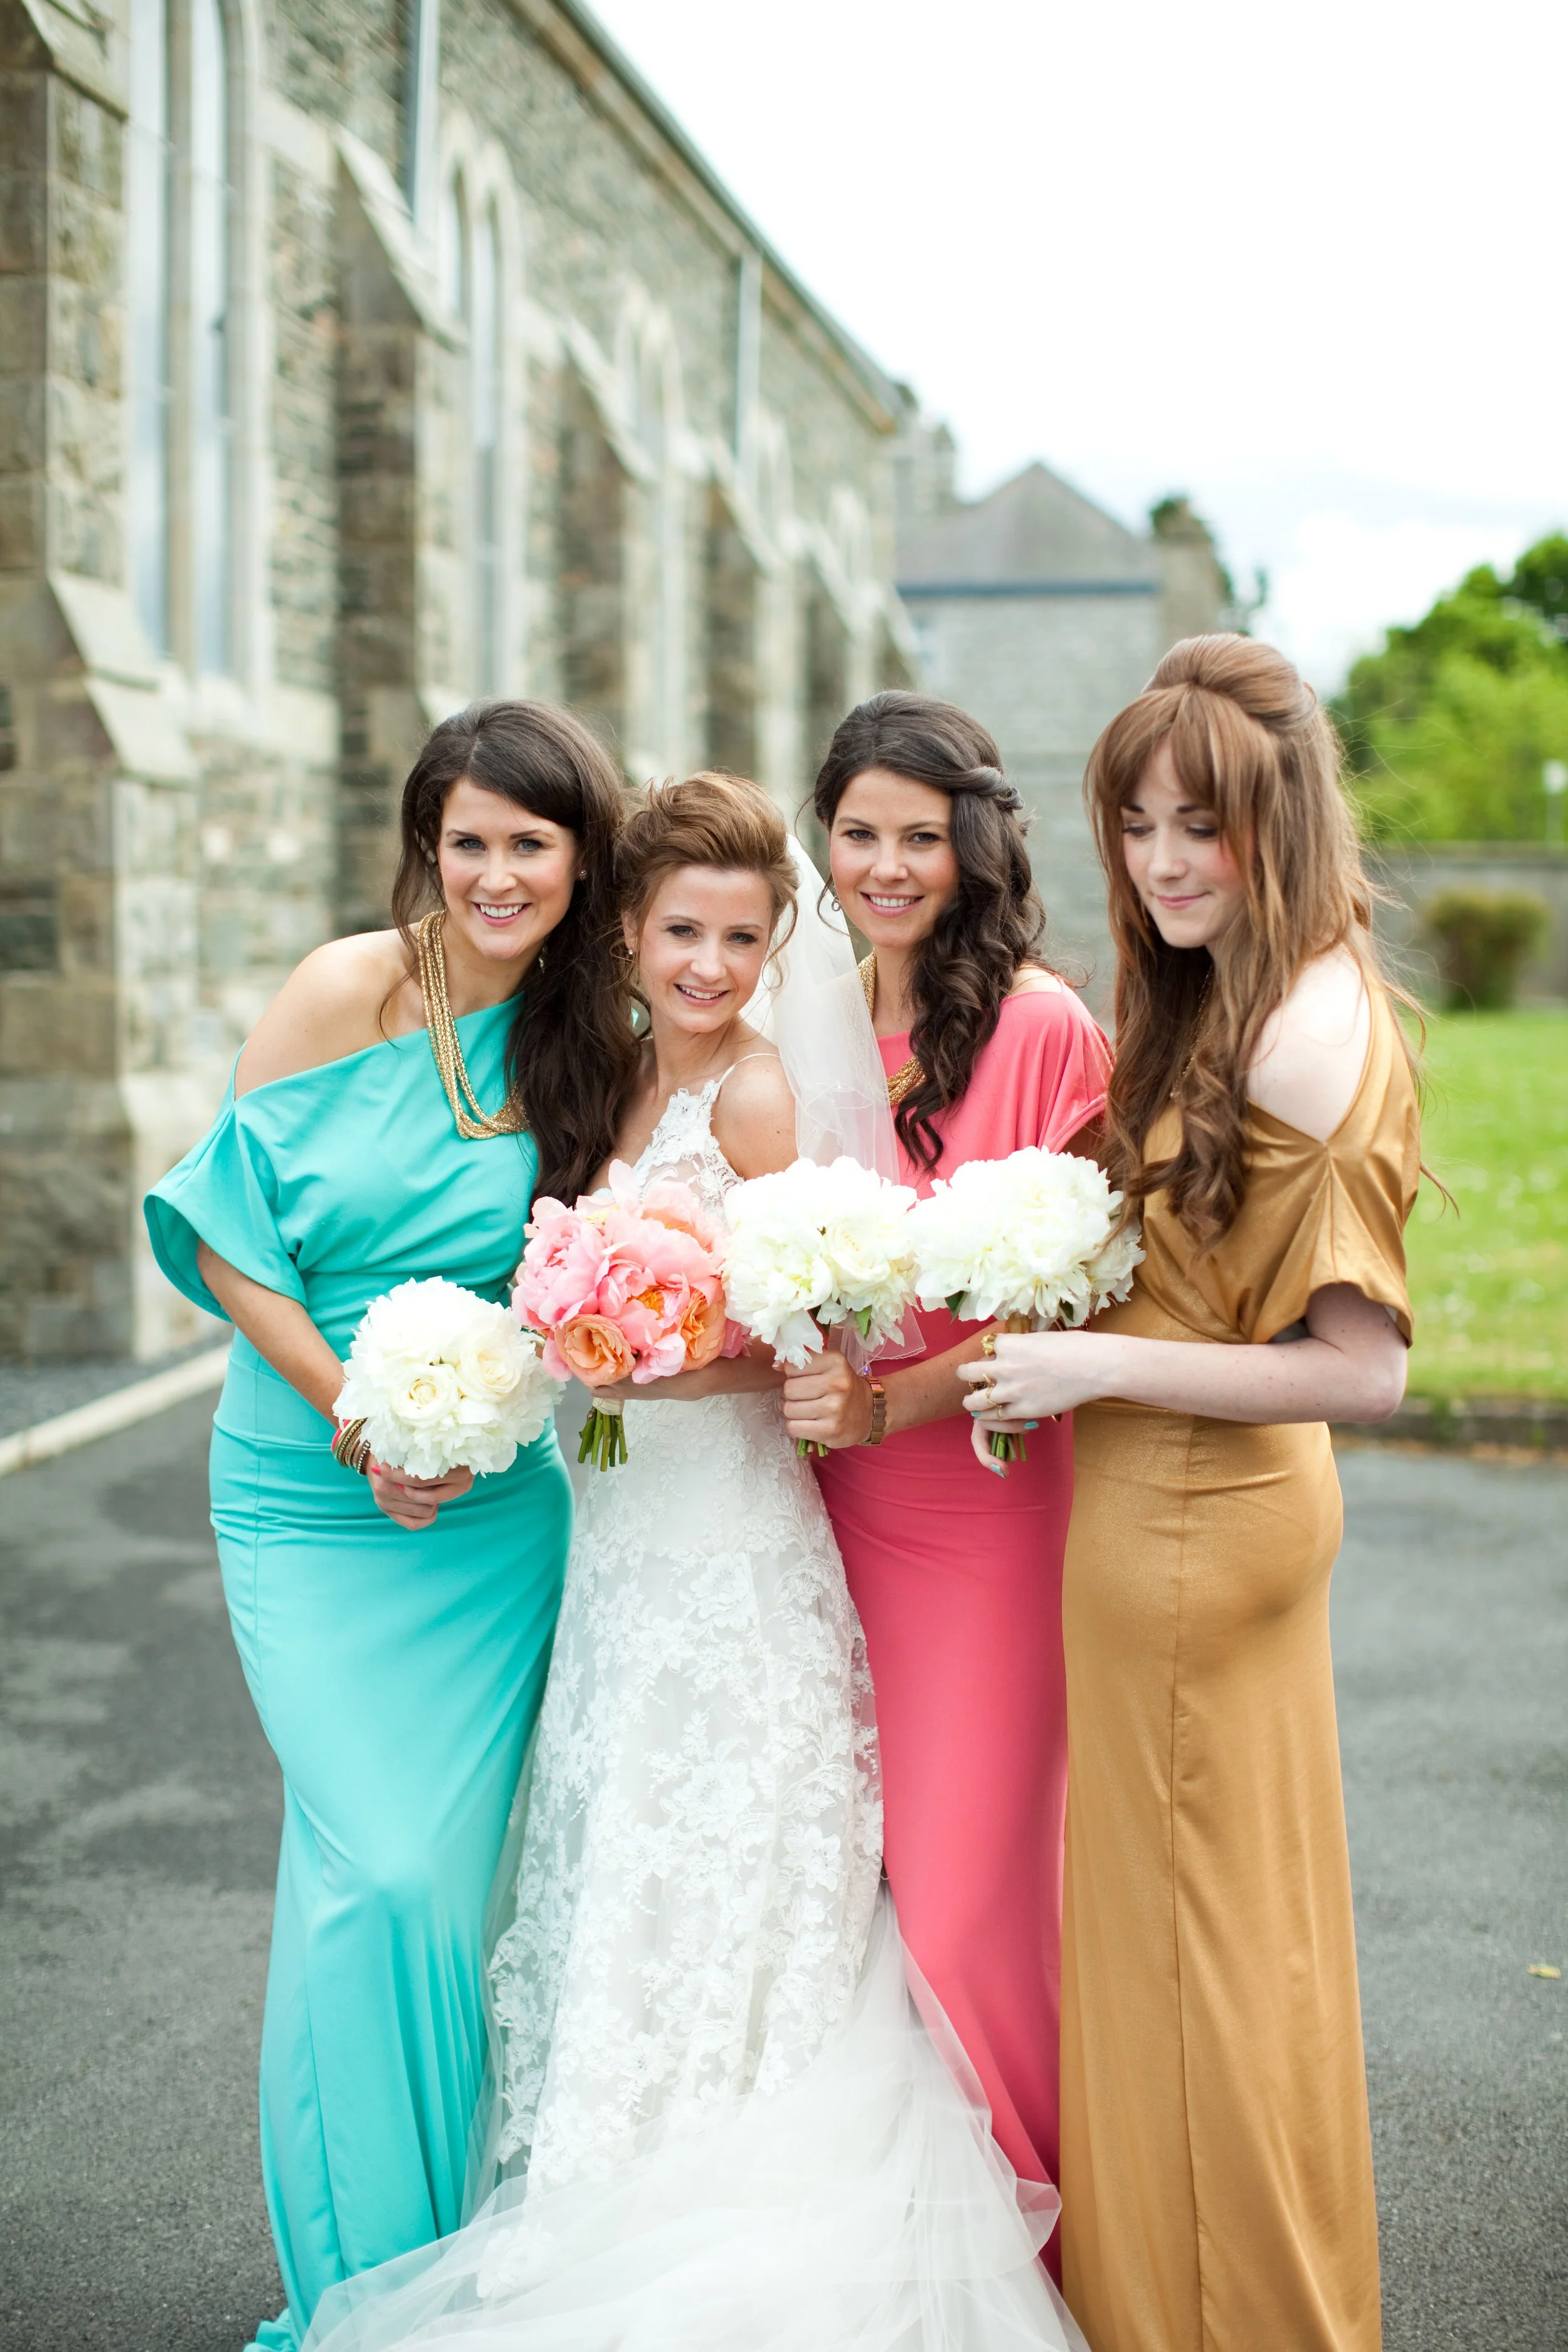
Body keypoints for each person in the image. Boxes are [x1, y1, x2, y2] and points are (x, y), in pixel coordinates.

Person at [300, 773, 1085, 2352]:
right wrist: (518, 1364)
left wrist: (649, 1359)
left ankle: (713, 2187)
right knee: (623, 1832)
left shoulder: (754, 1101)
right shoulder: (628, 1091)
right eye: (681, 933)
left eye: (740, 937)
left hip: (724, 1533)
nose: (711, 966)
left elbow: (810, 1332)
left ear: (769, 941)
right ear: (632, 939)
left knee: (721, 1834)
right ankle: (609, 2172)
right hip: (622, 1537)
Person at [144, 701, 637, 2352]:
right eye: (468, 836)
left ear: (581, 858)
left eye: (531, 841)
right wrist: (352, 1404)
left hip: (489, 1524)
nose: (495, 872)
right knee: (379, 1866)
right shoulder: (346, 987)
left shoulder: (597, 1042)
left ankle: (432, 2263)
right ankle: (357, 2286)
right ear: (427, 839)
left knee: (442, 1889)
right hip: (304, 1484)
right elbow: (228, 1231)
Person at [963, 635, 1419, 2352]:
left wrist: (1094, 1366)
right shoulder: (1269, 980)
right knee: (1231, 1948)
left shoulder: (1300, 1035)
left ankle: (1213, 2319)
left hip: (1187, 1523)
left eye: (1198, 827)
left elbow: (1361, 1368)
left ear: (1277, 816)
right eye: (1135, 820)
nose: (1159, 861)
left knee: (1190, 1969)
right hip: (1198, 1513)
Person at [781, 692, 1113, 2224]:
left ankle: (1038, 2236)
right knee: (844, 1888)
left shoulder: (1043, 1026)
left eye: (920, 835)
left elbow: (1072, 1300)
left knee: (970, 1903)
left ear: (973, 844)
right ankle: (907, 2243)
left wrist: (889, 1410)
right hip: (815, 1506)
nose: (887, 863)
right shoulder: (815, 1020)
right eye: (859, 833)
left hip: (980, 1509)